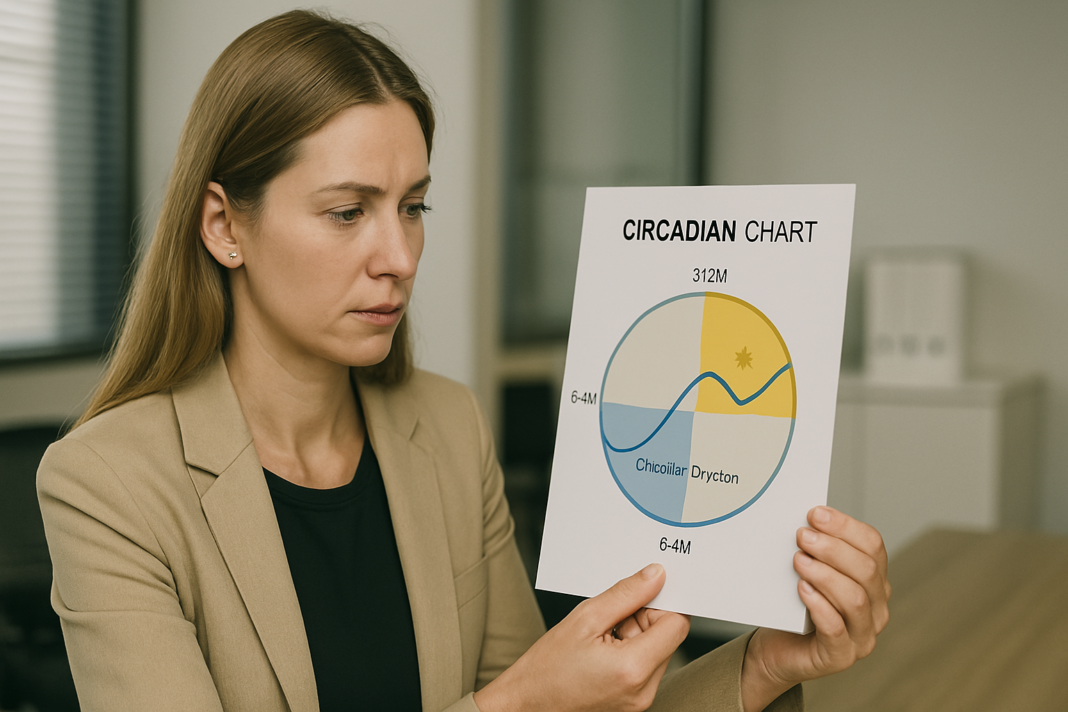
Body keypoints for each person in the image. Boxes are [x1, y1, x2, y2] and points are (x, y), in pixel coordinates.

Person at [36, 10, 889, 712]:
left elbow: (564, 703)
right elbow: (529, 699)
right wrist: (515, 703)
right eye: (347, 212)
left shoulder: (447, 426)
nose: (399, 256)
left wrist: (764, 664)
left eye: (412, 207)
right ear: (225, 226)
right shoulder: (105, 486)